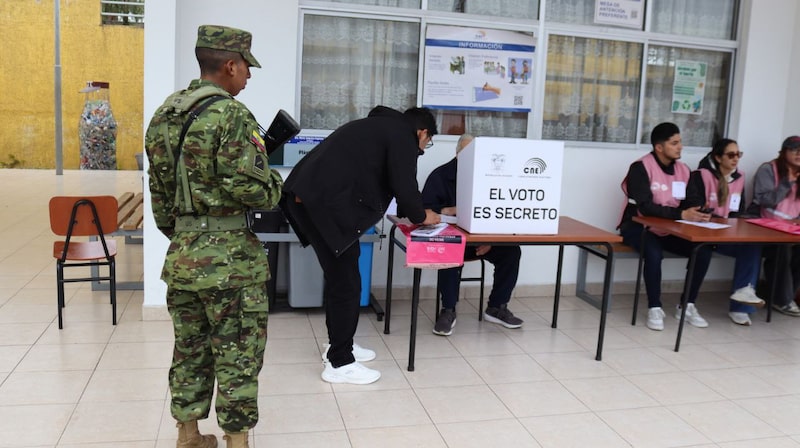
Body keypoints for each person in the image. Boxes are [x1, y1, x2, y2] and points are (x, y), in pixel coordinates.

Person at [145, 25, 282, 448]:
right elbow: (249, 188)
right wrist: (274, 183)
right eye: (246, 67)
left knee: (190, 349)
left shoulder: (165, 114)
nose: (249, 77)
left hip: (183, 258)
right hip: (231, 265)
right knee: (238, 354)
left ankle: (187, 436)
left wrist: (188, 235)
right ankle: (237, 442)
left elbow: (161, 198)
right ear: (230, 65)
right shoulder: (233, 116)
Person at [280, 106, 441, 385]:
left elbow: (398, 187)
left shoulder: (380, 129)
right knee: (347, 283)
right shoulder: (402, 135)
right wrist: (424, 216)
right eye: (426, 144)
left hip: (310, 199)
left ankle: (339, 346)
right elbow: (406, 188)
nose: (423, 149)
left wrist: (411, 209)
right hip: (321, 205)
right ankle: (340, 363)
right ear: (422, 132)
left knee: (342, 278)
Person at [421, 134, 523, 335]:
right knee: (451, 249)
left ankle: (497, 307)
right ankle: (448, 310)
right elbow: (423, 210)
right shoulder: (440, 176)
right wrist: (448, 210)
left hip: (481, 241)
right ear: (457, 153)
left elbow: (501, 212)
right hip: (453, 240)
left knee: (512, 252)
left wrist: (491, 241)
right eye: (468, 154)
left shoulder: (493, 176)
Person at [619, 122, 714, 331]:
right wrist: (681, 214)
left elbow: (690, 200)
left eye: (680, 142)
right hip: (637, 225)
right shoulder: (640, 167)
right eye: (674, 143)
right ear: (659, 147)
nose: (680, 147)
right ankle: (655, 307)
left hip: (671, 228)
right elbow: (645, 205)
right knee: (653, 253)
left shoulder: (683, 169)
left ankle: (687, 305)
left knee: (702, 250)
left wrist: (699, 210)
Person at [685, 138, 765, 326]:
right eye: (731, 155)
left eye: (738, 154)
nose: (736, 158)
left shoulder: (740, 177)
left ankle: (742, 302)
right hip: (702, 234)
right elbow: (693, 206)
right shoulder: (701, 175)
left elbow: (739, 210)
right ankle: (688, 304)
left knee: (752, 246)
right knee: (702, 253)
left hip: (725, 234)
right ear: (718, 158)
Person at [747, 135, 800, 316]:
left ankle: (786, 295)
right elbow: (765, 200)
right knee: (782, 248)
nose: (799, 154)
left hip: (791, 229)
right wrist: (787, 183)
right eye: (794, 150)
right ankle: (782, 300)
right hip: (763, 228)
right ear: (784, 151)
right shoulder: (769, 169)